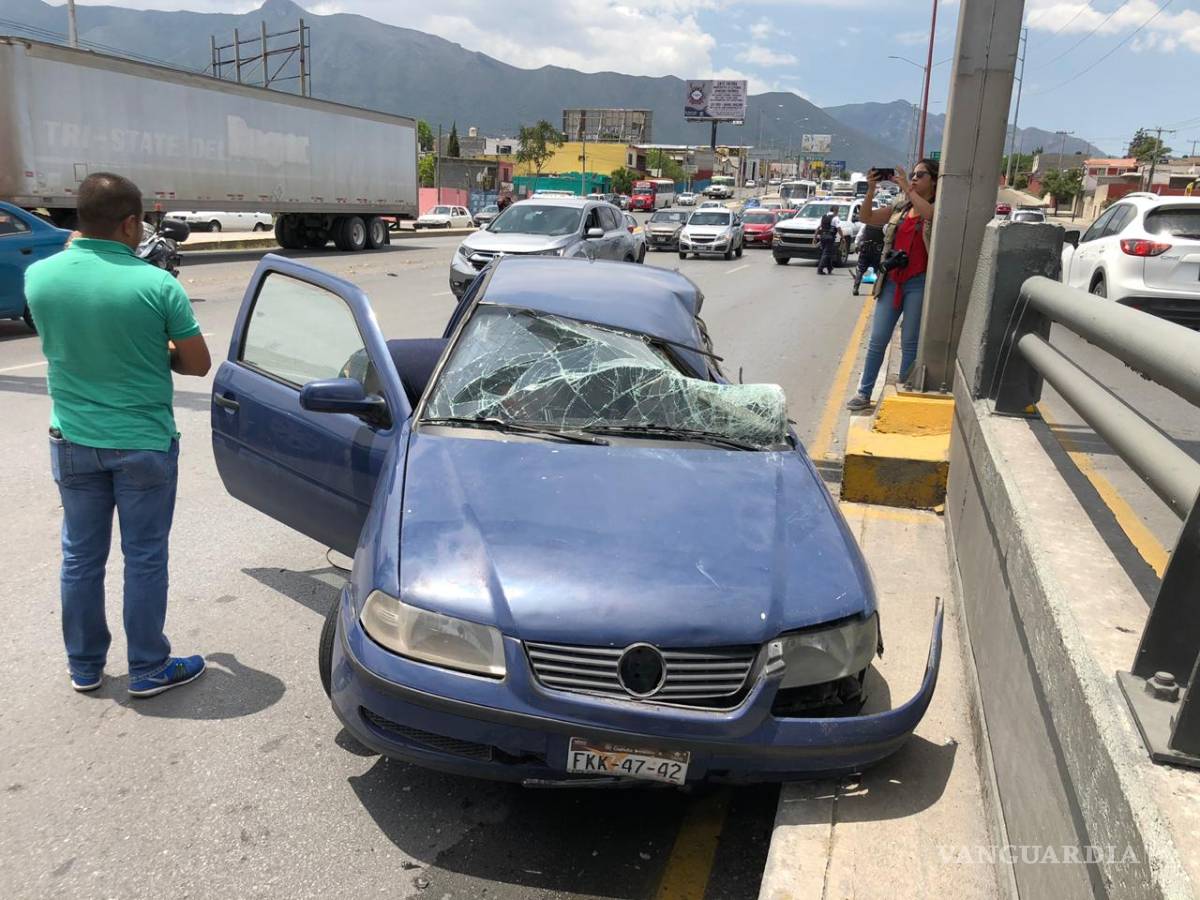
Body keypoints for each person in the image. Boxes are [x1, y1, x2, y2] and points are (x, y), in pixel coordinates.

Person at [25, 172, 212, 697]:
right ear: (130, 223)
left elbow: (70, 340)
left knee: (81, 557)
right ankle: (150, 666)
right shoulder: (158, 285)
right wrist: (157, 350)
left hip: (73, 441)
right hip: (143, 443)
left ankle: (85, 665)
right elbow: (198, 364)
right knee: (145, 556)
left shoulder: (40, 278)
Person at [846, 159, 938, 410]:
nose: (915, 178)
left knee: (910, 341)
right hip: (892, 281)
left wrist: (907, 187)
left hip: (918, 282)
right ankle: (864, 394)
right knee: (878, 340)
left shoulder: (935, 206)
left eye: (921, 175)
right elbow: (867, 217)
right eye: (913, 174)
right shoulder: (901, 205)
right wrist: (871, 189)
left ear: (933, 180)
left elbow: (930, 215)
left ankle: (904, 393)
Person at [852, 222, 885, 296]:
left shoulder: (866, 223)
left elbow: (860, 235)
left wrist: (856, 245)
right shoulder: (883, 224)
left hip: (865, 249)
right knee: (878, 270)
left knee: (860, 269)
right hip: (877, 250)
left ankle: (855, 288)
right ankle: (875, 290)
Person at [814, 209, 843, 275]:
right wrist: (843, 237)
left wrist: (815, 237)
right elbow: (838, 228)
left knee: (827, 253)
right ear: (835, 211)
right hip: (830, 237)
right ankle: (820, 269)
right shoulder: (835, 218)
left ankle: (829, 268)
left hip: (822, 236)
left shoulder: (823, 217)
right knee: (826, 254)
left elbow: (818, 227)